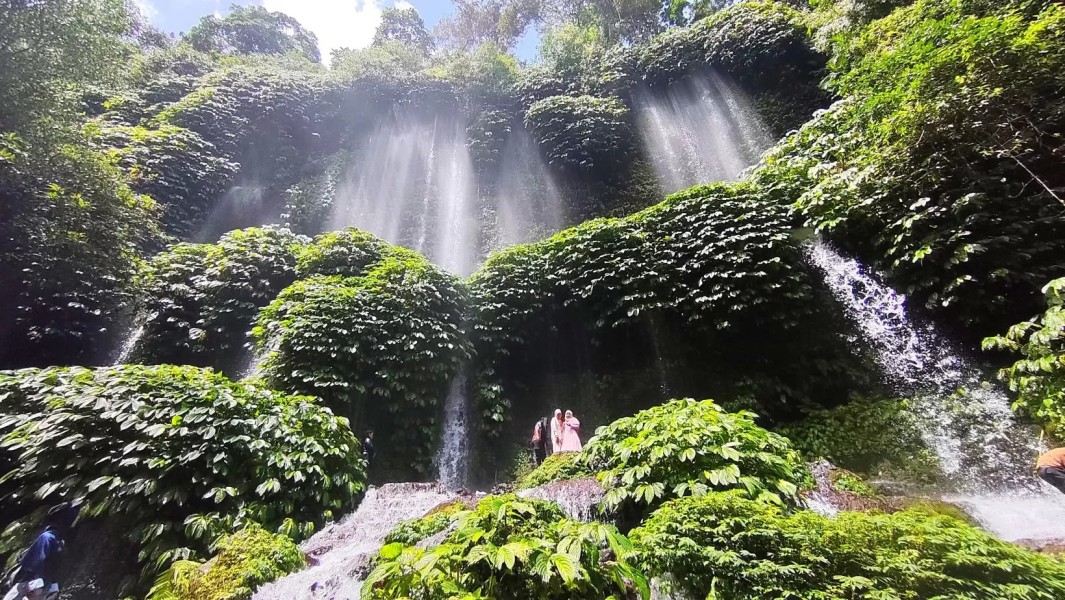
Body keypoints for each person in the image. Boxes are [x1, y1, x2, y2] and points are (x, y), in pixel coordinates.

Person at [3, 503, 78, 600]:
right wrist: (44, 585)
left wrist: (47, 586)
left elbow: (45, 563)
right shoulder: (53, 539)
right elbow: (44, 563)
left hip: (38, 584)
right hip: (38, 584)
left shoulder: (52, 538)